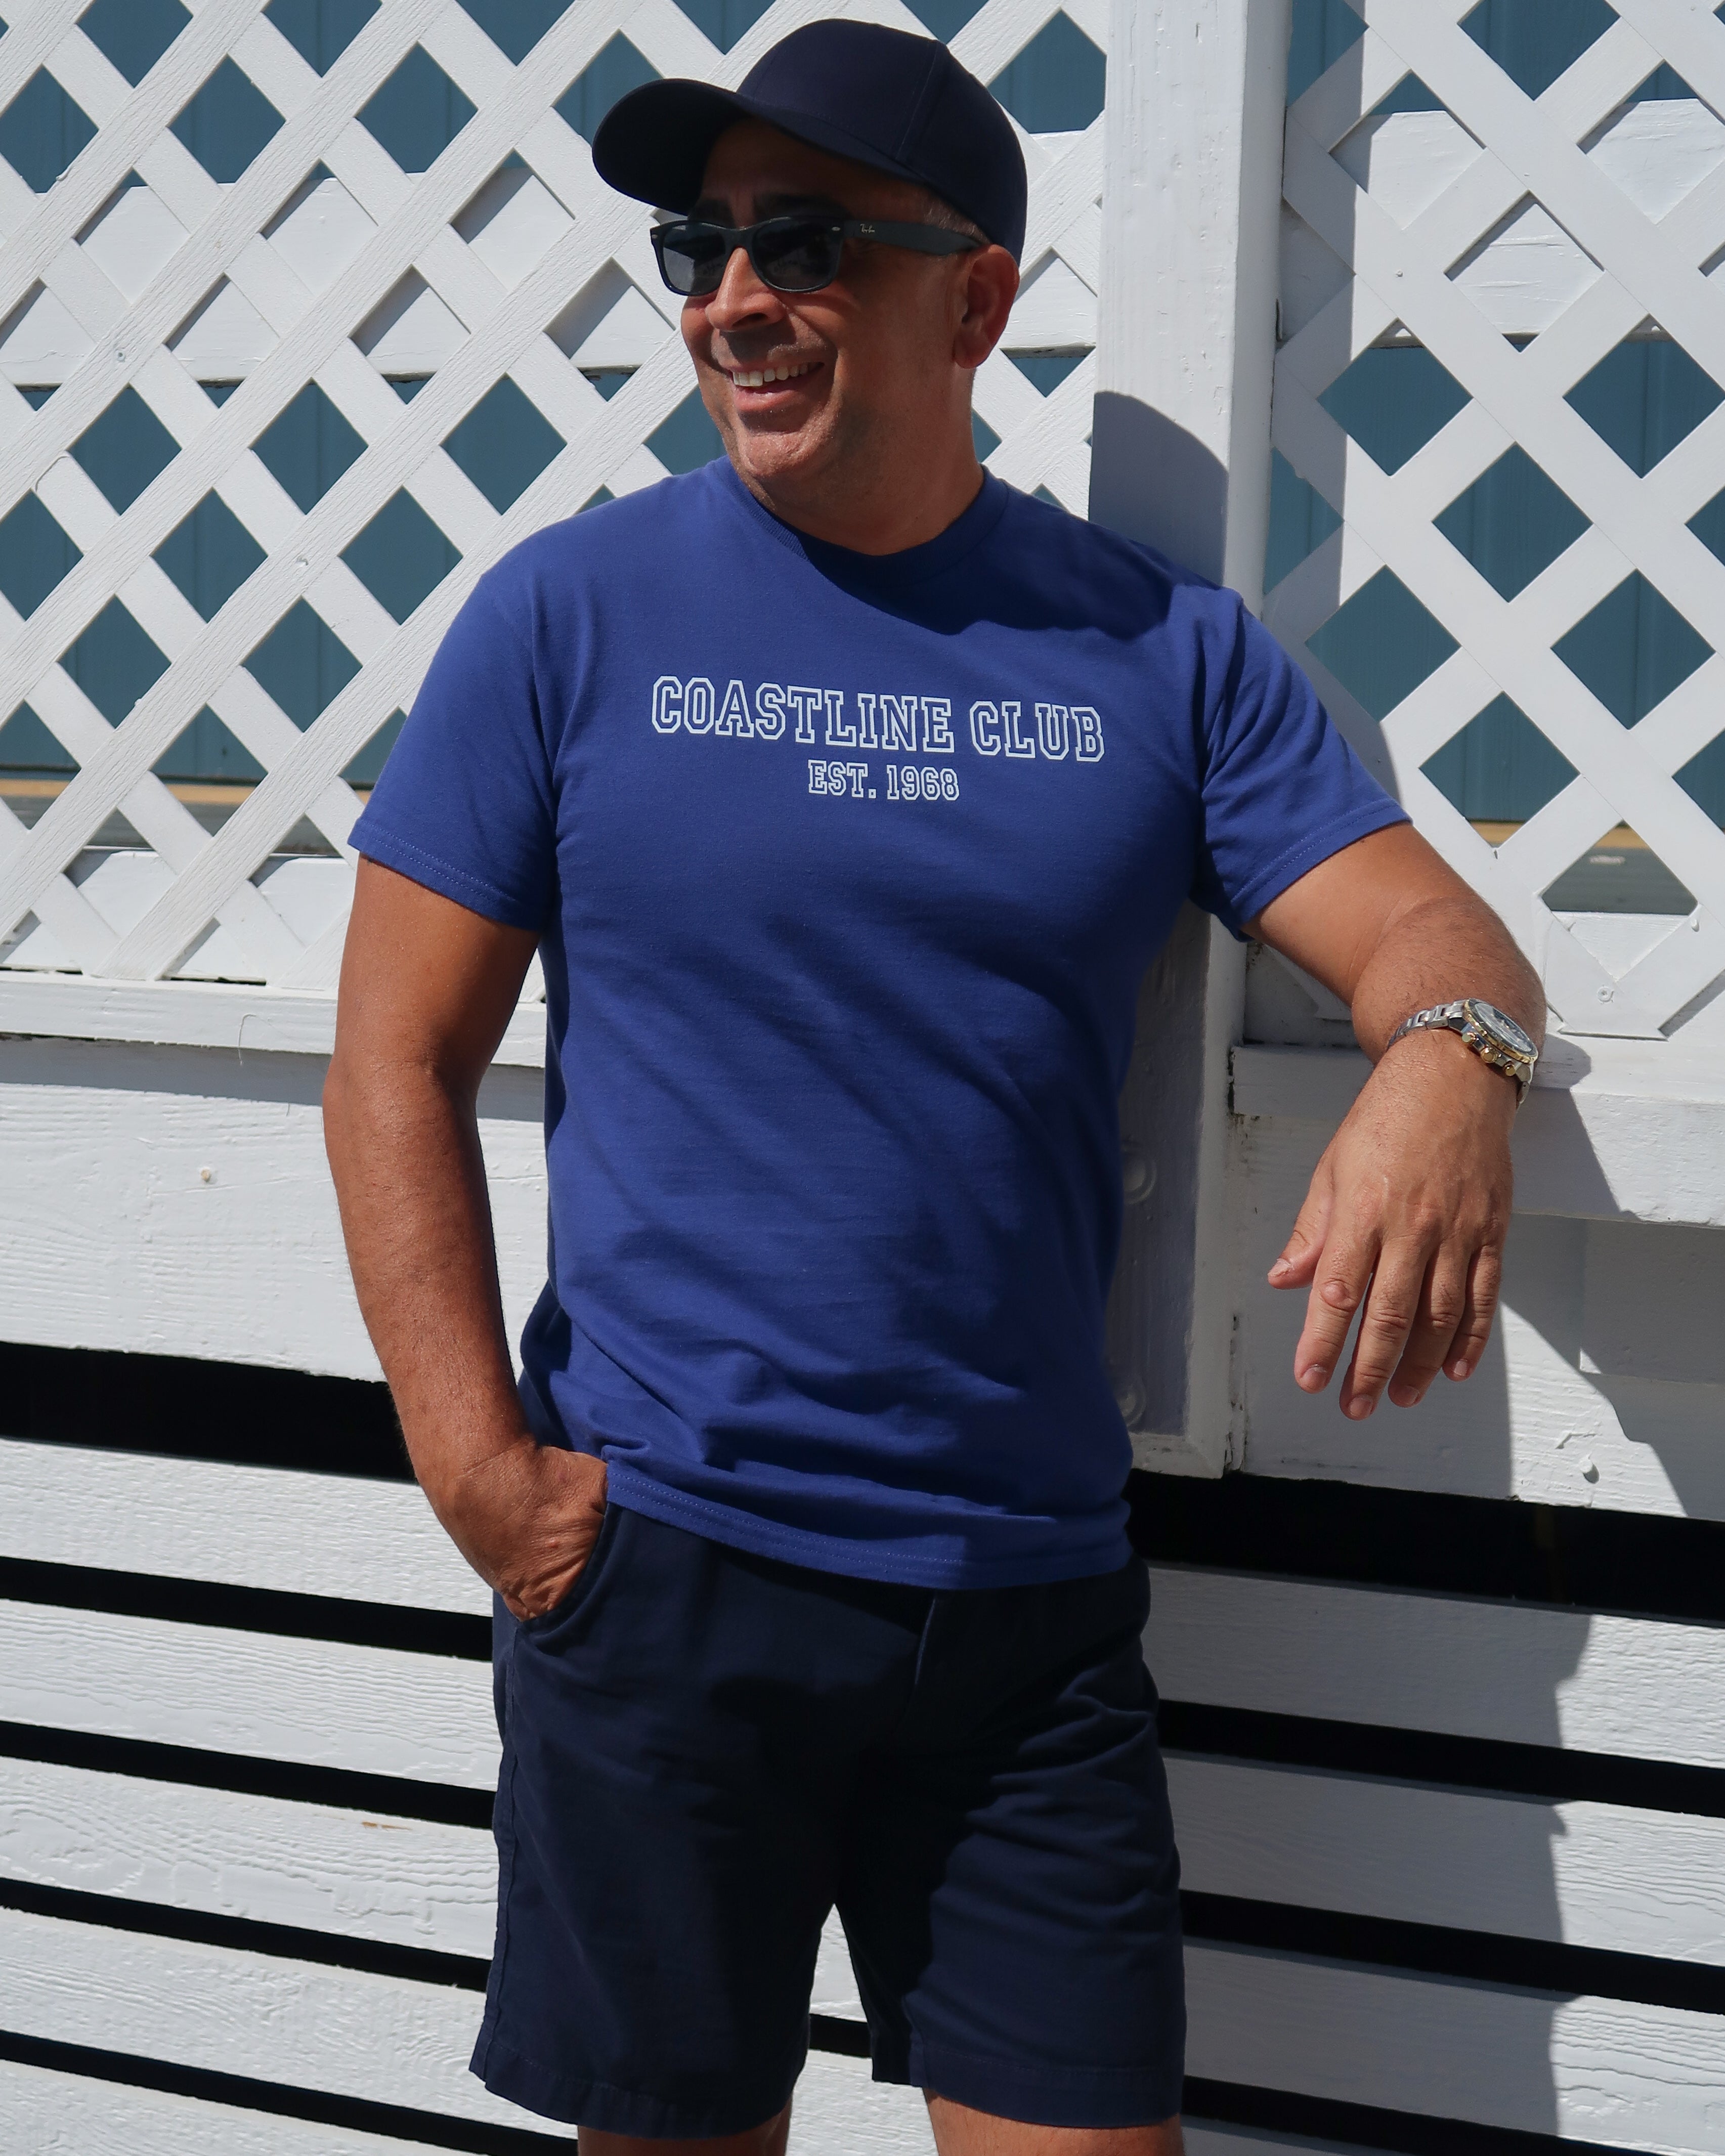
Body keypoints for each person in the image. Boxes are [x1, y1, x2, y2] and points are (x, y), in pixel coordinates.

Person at [322, 19, 1545, 2155]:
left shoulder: (1157, 652)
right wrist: (477, 1474)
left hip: (1022, 1619)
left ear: (972, 296)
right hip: (659, 1571)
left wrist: (1453, 1065)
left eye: (802, 241)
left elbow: (1434, 942)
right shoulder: (567, 617)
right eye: (699, 244)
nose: (729, 298)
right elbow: (393, 1054)